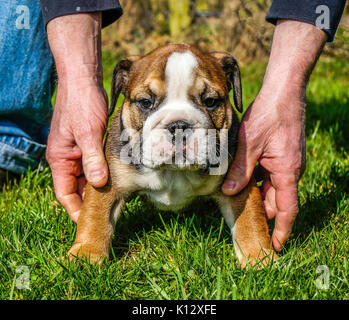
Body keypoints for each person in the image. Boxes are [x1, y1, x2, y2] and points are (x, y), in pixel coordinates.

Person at [0, 1, 346, 252]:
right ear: (120, 89)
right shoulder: (122, 150)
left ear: (232, 90)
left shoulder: (226, 153)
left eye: (209, 102)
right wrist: (91, 244)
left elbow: (240, 190)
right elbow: (103, 190)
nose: (179, 126)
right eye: (148, 103)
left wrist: (255, 250)